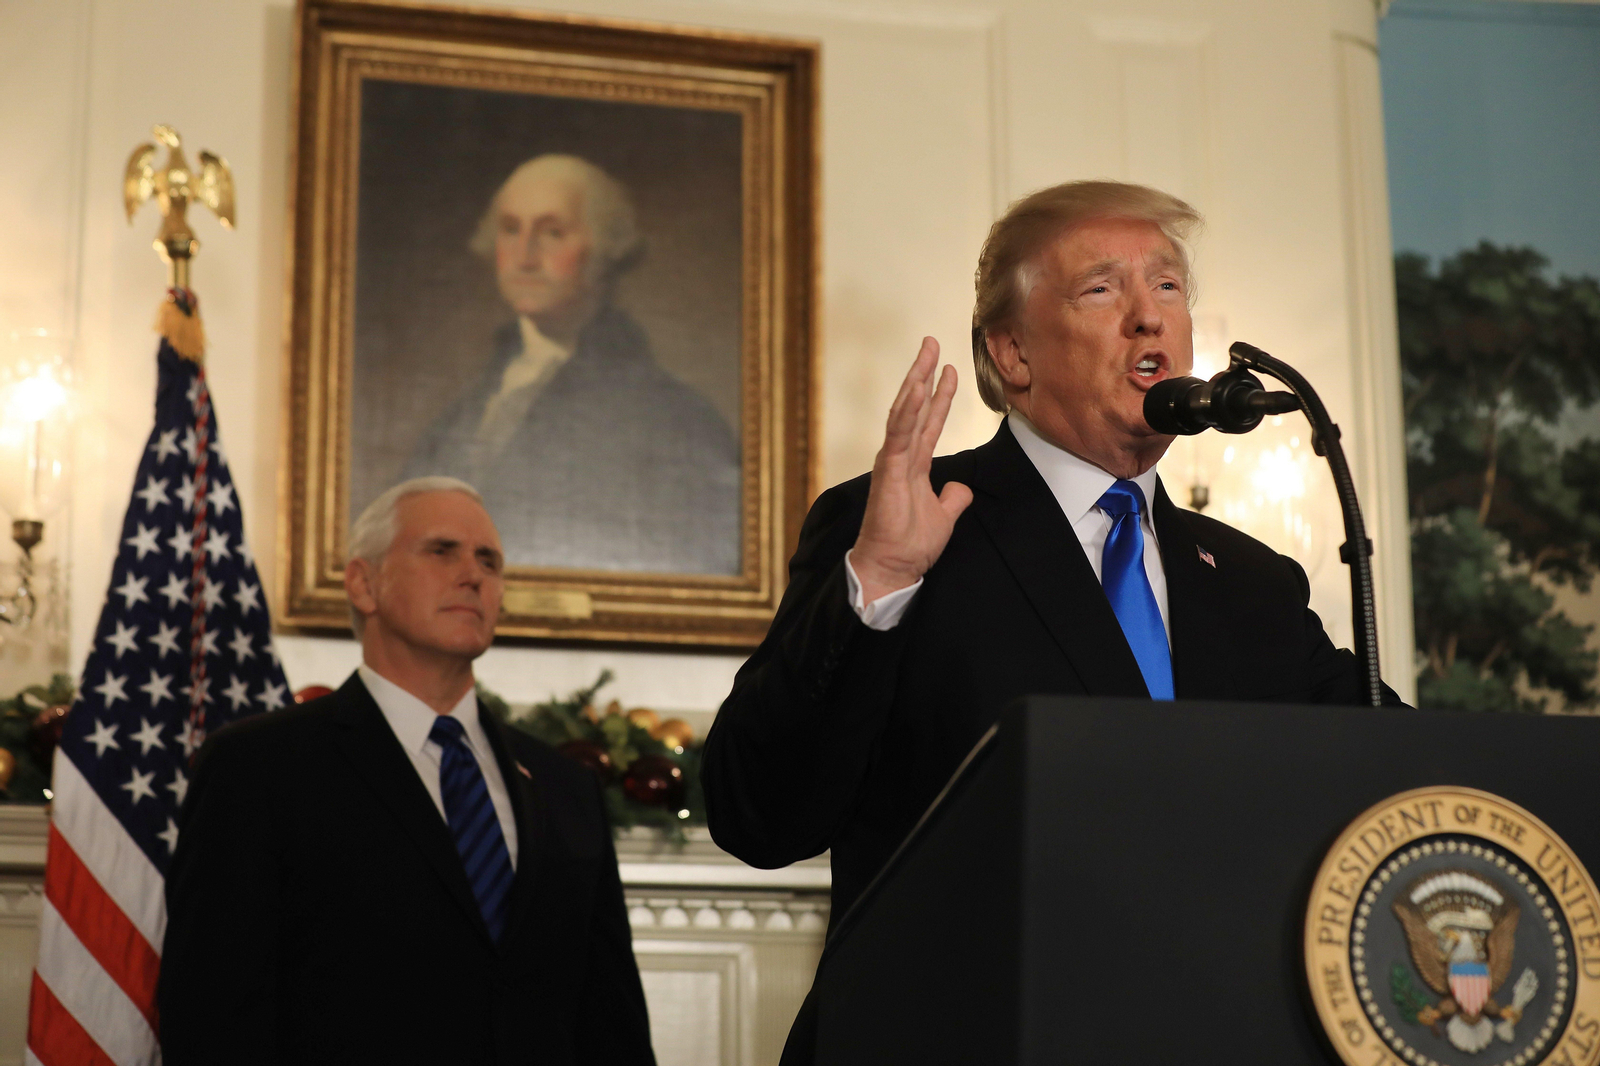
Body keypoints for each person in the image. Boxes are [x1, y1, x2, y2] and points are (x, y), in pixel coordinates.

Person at [700, 180, 1404, 1062]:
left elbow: (1403, 769)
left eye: (1168, 286)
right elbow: (760, 816)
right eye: (1102, 289)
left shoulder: (1252, 584)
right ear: (1013, 353)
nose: (1149, 316)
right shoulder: (907, 525)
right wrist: (879, 580)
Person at [159, 477, 656, 1066]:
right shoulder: (259, 767)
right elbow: (213, 1014)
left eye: (489, 561)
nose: (472, 575)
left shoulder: (564, 787)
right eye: (442, 551)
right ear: (363, 584)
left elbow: (611, 1023)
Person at [403, 154, 741, 575]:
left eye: (552, 233)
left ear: (603, 249)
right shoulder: (469, 406)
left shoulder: (676, 419)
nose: (525, 256)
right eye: (511, 229)